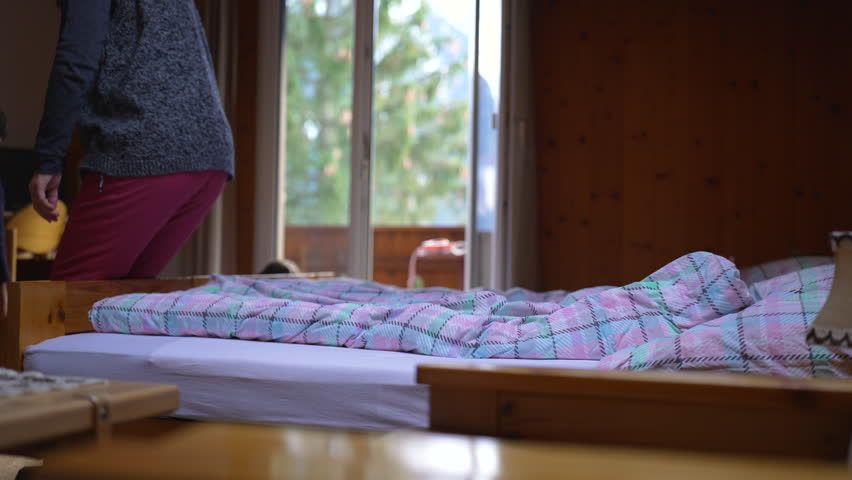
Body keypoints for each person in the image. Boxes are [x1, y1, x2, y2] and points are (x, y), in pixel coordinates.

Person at [32, 0, 234, 280]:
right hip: (210, 150)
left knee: (63, 305)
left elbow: (76, 61)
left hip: (144, 144)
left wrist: (48, 160)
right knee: (123, 305)